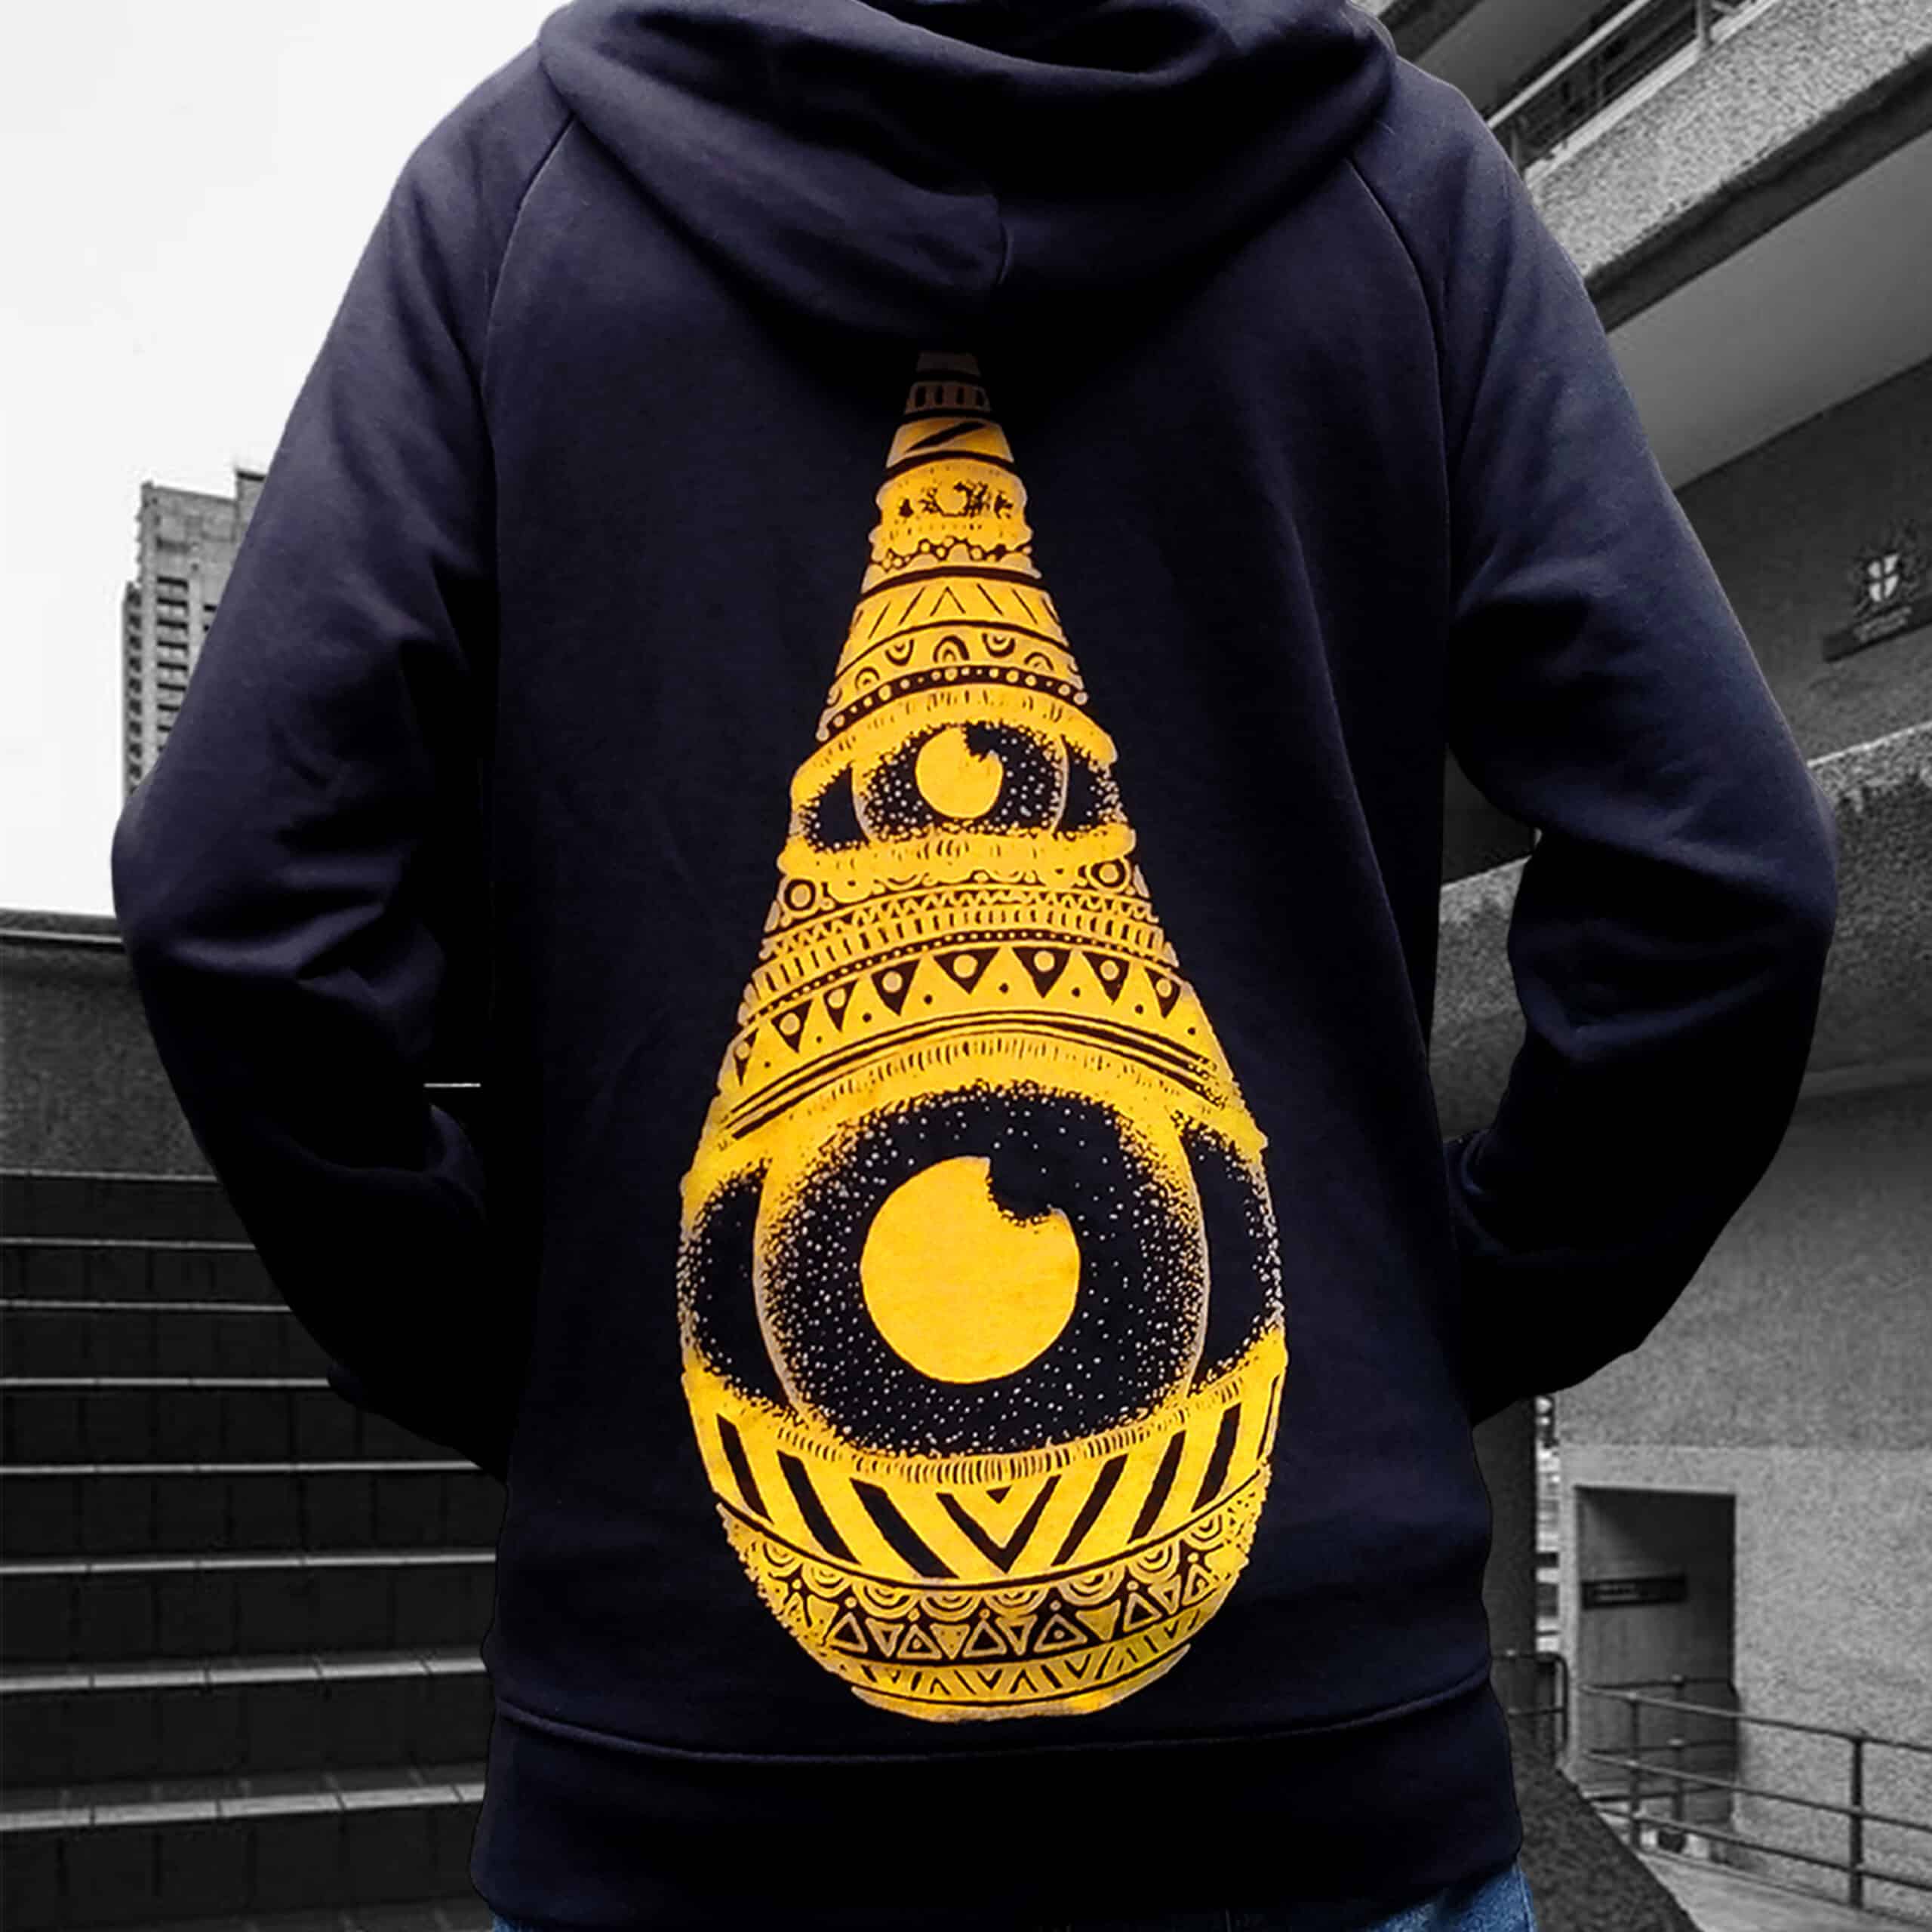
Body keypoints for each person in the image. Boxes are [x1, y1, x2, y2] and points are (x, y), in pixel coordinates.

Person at [109, 0, 1838, 1926]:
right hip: (1319, 1766)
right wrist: (1430, 1311)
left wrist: (545, 1366)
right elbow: (1721, 872)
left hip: (686, 1779)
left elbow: (235, 896)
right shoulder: (1404, 194)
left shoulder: (516, 194)